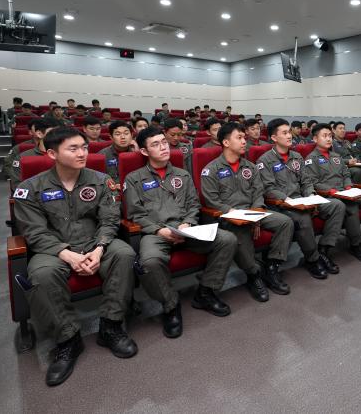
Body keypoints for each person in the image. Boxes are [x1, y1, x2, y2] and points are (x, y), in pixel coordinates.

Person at [13, 127, 138, 386]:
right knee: (42, 274)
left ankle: (110, 326)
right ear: (51, 153)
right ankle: (68, 339)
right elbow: (34, 231)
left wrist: (100, 248)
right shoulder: (30, 188)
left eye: (84, 147)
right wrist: (67, 254)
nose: (82, 153)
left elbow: (110, 220)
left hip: (94, 242)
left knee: (124, 253)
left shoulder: (101, 180)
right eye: (73, 148)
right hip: (53, 249)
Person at [124, 127, 237, 338]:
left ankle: (206, 292)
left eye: (164, 142)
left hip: (186, 229)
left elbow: (194, 204)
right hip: (156, 232)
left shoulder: (182, 174)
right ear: (145, 152)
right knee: (149, 262)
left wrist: (187, 222)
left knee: (227, 239)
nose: (163, 147)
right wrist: (160, 230)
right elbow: (135, 214)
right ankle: (170, 305)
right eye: (155, 144)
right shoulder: (133, 178)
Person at [201, 122, 295, 301]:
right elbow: (212, 201)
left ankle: (271, 266)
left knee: (285, 222)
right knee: (240, 232)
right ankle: (253, 275)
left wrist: (256, 213)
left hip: (253, 212)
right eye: (239, 138)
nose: (245, 141)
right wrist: (236, 214)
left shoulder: (250, 167)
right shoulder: (211, 170)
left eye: (245, 138)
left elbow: (258, 193)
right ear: (226, 143)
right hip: (228, 218)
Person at [257, 119, 346, 279]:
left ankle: (323, 249)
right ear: (274, 138)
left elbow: (306, 181)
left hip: (302, 200)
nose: (289, 136)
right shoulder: (265, 161)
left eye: (289, 132)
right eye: (284, 133)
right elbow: (269, 189)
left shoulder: (297, 156)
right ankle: (312, 259)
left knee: (337, 205)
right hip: (281, 204)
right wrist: (289, 201)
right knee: (303, 217)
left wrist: (311, 195)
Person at [303, 123, 361, 262]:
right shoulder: (311, 159)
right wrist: (332, 191)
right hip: (329, 194)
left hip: (346, 191)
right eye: (324, 136)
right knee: (351, 207)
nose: (329, 139)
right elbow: (312, 182)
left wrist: (349, 187)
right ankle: (356, 244)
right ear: (315, 139)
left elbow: (346, 174)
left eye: (330, 136)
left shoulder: (336, 156)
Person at [3, 119, 57, 185]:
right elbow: (17, 186)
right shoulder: (23, 157)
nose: (58, 136)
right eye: (52, 132)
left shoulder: (63, 155)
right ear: (39, 134)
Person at [98, 121, 137, 188]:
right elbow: (98, 180)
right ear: (111, 137)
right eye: (118, 134)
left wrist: (137, 153)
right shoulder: (102, 155)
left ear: (132, 135)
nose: (123, 137)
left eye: (126, 133)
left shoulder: (137, 153)